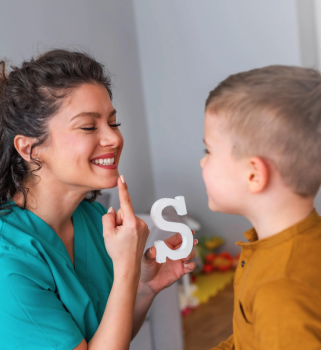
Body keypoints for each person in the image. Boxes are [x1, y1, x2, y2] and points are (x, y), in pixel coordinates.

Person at [0, 49, 196, 350]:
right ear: (30, 149)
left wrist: (144, 287)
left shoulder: (92, 219)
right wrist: (126, 267)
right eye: (89, 126)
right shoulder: (9, 265)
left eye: (113, 123)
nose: (114, 139)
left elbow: (106, 339)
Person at [200, 66, 321, 350]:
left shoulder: (282, 290)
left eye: (208, 151)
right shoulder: (304, 235)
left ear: (254, 174)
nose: (202, 162)